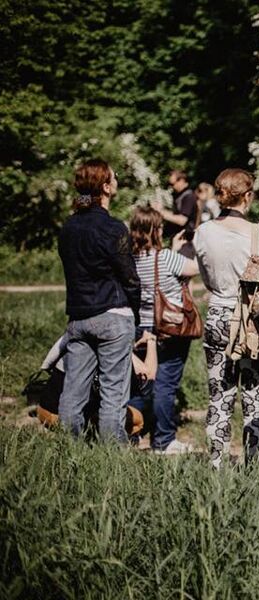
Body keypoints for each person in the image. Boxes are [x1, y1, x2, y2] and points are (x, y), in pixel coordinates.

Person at [193, 168, 259, 468]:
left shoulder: (204, 232)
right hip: (254, 322)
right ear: (248, 196)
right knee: (256, 397)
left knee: (219, 396)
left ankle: (216, 464)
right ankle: (254, 469)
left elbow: (206, 278)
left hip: (219, 315)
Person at [58, 158, 141, 443]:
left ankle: (69, 449)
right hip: (112, 315)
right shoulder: (113, 228)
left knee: (72, 392)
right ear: (106, 187)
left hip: (79, 317)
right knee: (113, 394)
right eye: (114, 177)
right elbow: (129, 276)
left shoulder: (68, 227)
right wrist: (137, 316)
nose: (117, 179)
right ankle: (111, 457)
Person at [128, 206, 201, 454]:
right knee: (166, 383)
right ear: (155, 230)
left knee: (141, 383)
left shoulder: (129, 259)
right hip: (169, 327)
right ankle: (163, 440)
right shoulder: (166, 257)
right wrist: (176, 250)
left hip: (141, 327)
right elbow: (193, 269)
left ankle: (132, 432)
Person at [35, 330, 156, 436]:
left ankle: (81, 443)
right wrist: (151, 340)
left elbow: (47, 363)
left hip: (45, 408)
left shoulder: (77, 331)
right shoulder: (115, 348)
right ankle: (98, 448)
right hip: (69, 418)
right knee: (136, 419)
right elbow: (148, 377)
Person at [152, 169, 199, 240]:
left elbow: (182, 220)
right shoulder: (180, 195)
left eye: (173, 184)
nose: (171, 187)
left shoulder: (189, 196)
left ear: (182, 180)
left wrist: (160, 212)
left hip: (185, 239)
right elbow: (175, 214)